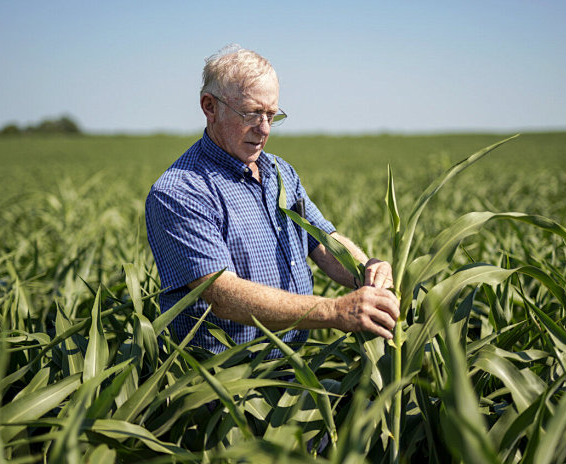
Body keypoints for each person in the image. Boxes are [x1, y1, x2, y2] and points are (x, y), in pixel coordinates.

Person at [145, 45, 399, 357]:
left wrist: (369, 271)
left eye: (271, 115)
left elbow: (323, 243)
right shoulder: (180, 191)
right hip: (221, 385)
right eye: (251, 114)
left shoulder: (280, 172)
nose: (264, 129)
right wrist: (334, 311)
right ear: (210, 107)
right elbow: (222, 294)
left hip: (294, 370)